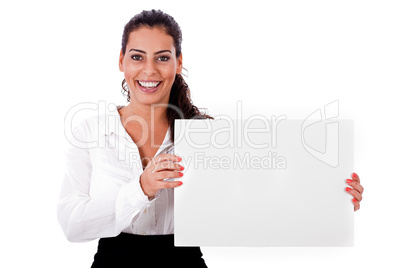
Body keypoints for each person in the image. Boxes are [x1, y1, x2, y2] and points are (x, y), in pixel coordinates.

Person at [57, 9, 364, 268]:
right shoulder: (91, 131)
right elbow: (72, 224)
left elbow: (257, 206)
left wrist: (330, 201)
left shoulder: (207, 136)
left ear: (178, 63)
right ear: (122, 60)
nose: (149, 70)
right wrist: (142, 188)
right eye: (137, 56)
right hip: (113, 263)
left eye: (162, 58)